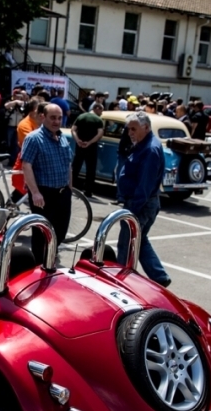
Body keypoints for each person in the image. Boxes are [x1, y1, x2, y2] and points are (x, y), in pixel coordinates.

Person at [117, 111, 172, 287]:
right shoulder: (143, 144)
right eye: (128, 129)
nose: (130, 132)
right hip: (140, 202)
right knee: (139, 240)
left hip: (141, 203)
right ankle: (159, 276)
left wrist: (132, 210)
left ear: (146, 127)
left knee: (126, 243)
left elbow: (145, 185)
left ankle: (120, 279)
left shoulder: (150, 149)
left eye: (133, 129)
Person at [20, 103, 75, 261]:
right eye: (52, 117)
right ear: (43, 117)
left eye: (59, 118)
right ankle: (38, 264)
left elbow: (68, 164)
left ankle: (50, 255)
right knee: (41, 232)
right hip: (44, 193)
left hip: (62, 192)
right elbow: (26, 165)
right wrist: (35, 192)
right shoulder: (33, 138)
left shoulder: (62, 137)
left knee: (60, 230)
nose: (56, 121)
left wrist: (69, 188)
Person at [71, 102, 104, 197]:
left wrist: (78, 140)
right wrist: (89, 142)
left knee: (75, 167)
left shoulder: (81, 117)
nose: (101, 113)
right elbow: (100, 134)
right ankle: (88, 191)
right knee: (90, 170)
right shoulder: (98, 120)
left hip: (80, 146)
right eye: (101, 110)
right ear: (97, 108)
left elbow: (73, 129)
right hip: (91, 148)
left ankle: (70, 186)